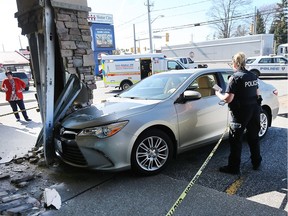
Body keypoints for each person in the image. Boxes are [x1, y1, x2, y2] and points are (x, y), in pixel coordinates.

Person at [215, 52, 262, 174]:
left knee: (236, 140)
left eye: (232, 63)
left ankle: (233, 168)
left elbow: (228, 99)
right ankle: (256, 162)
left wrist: (218, 94)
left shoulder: (234, 78)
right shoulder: (252, 75)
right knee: (253, 137)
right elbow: (257, 94)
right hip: (254, 110)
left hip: (241, 113)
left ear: (235, 63)